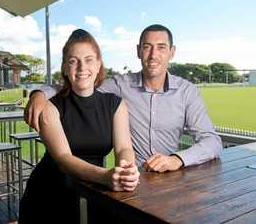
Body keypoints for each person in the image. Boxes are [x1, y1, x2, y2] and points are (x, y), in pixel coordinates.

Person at [24, 24, 223, 173]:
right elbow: (80, 80)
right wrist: (39, 94)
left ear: (172, 52)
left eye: (161, 47)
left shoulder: (187, 92)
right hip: (132, 178)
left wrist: (177, 159)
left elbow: (212, 141)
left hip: (169, 177)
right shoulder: (120, 85)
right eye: (147, 47)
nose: (153, 54)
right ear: (138, 51)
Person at [19, 29, 140, 223]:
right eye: (73, 61)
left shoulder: (116, 104)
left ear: (99, 64)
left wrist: (126, 169)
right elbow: (64, 159)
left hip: (95, 191)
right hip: (50, 196)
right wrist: (105, 176)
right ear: (65, 69)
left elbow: (124, 148)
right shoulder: (50, 107)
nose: (82, 67)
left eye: (89, 59)